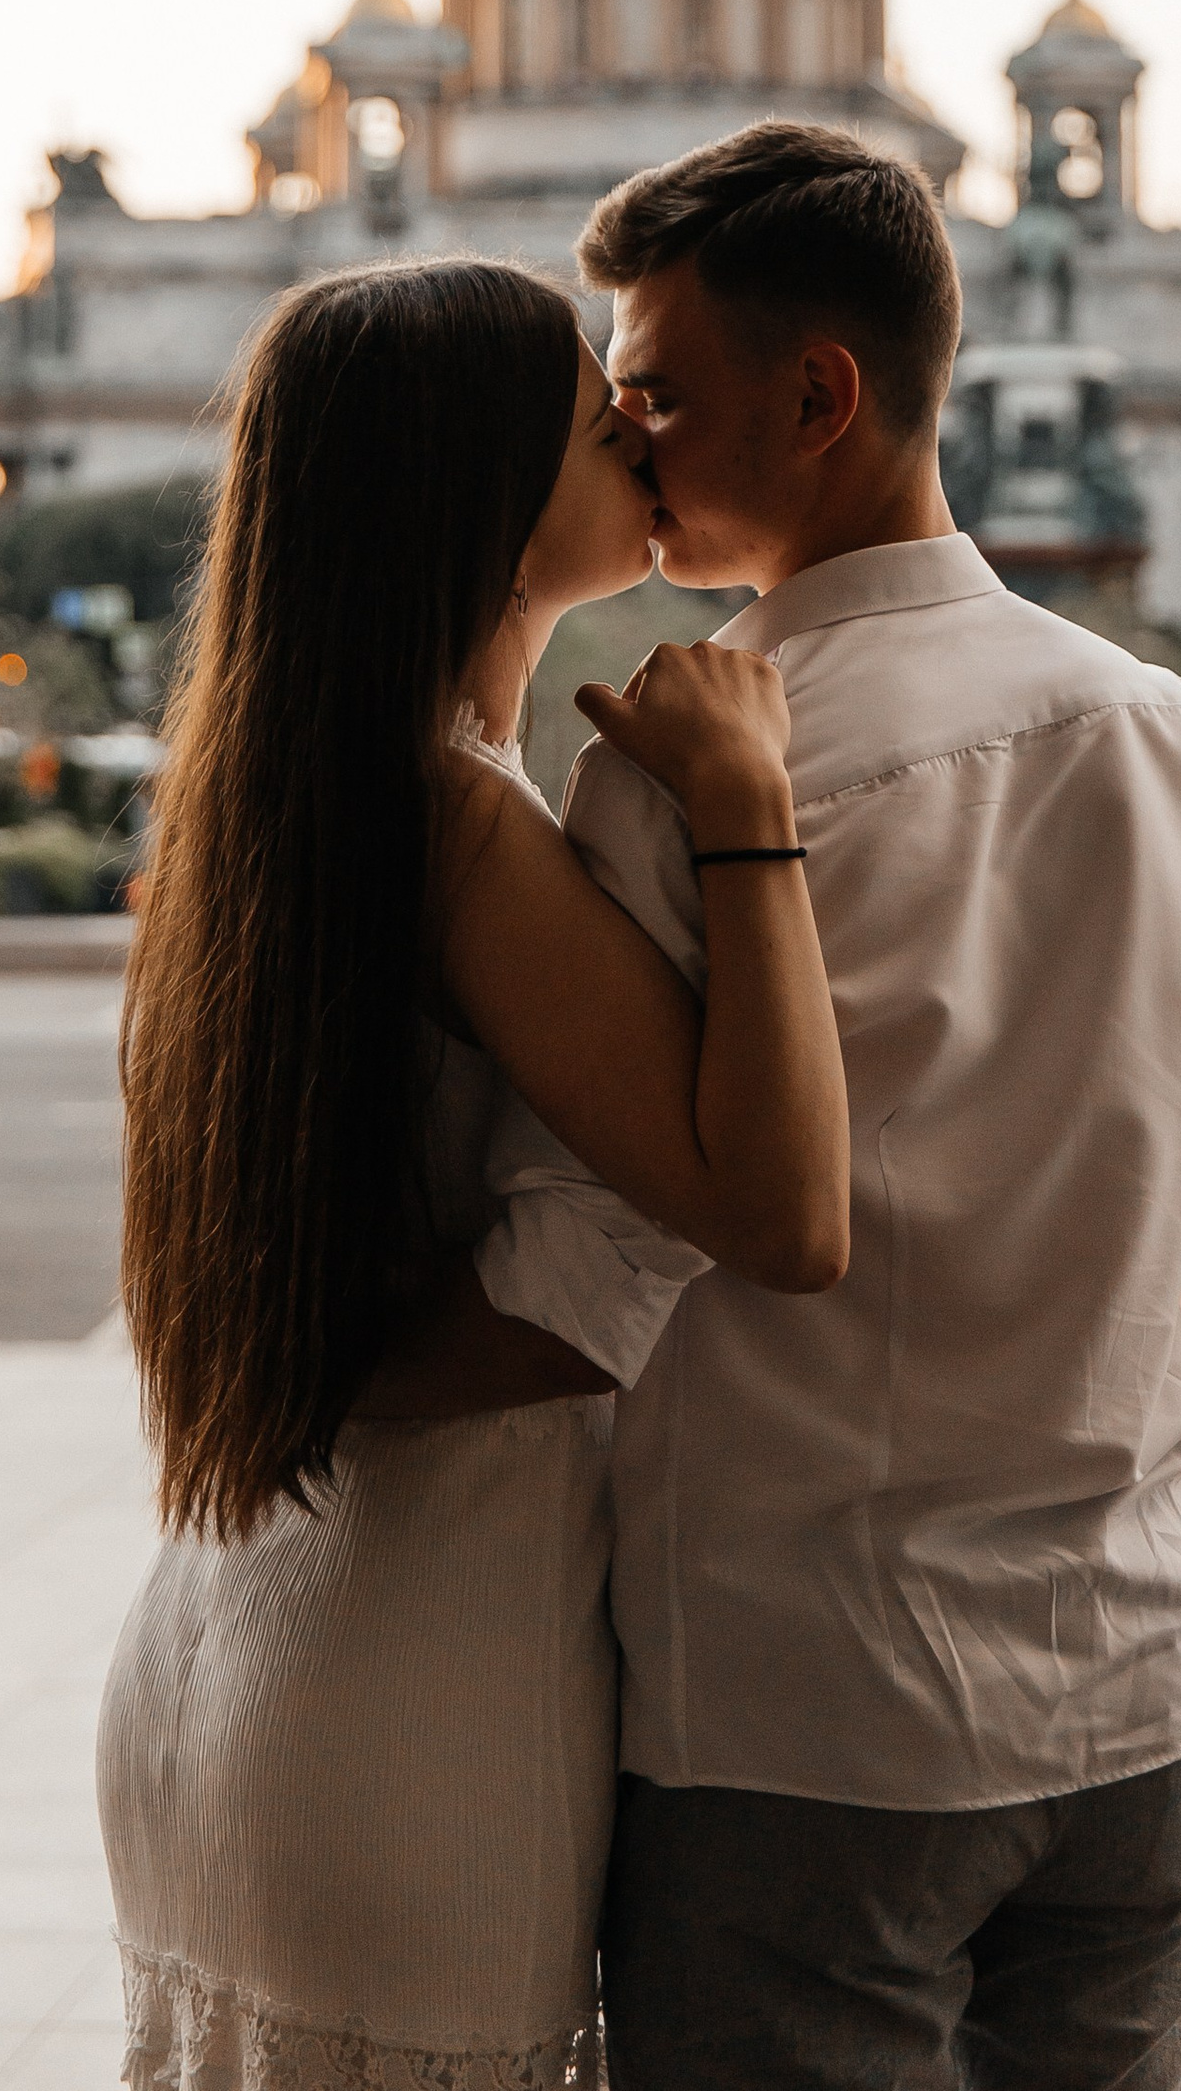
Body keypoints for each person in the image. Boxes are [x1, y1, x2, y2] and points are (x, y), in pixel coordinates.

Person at [479, 122, 1181, 2091]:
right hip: (1137, 1700)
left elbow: (577, 1269)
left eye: (657, 397)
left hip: (802, 1727)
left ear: (817, 398)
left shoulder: (689, 780)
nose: (625, 443)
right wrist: (1145, 1518)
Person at [97, 255, 850, 2091]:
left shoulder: (268, 798)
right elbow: (775, 1214)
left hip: (228, 1650)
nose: (650, 445)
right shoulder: (452, 814)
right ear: (486, 504)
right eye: (610, 428)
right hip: (415, 1694)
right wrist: (749, 814)